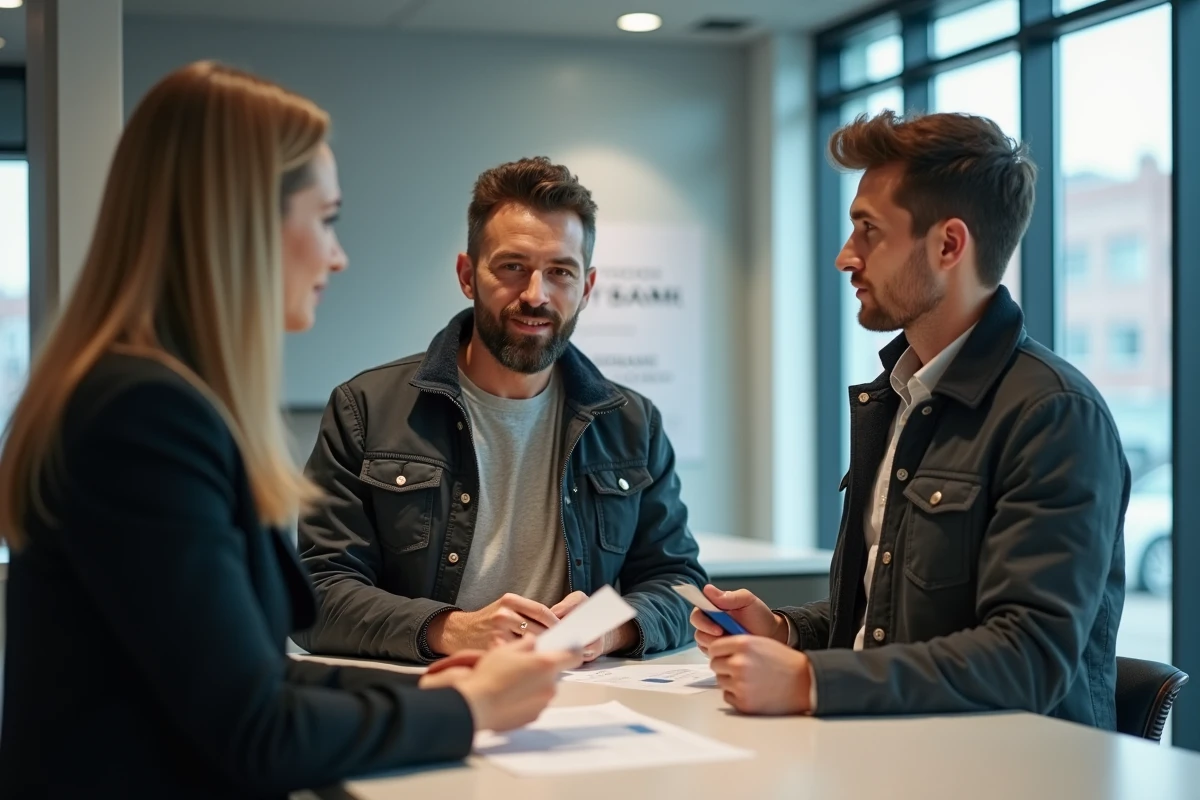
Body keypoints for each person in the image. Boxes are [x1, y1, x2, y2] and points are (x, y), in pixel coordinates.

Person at [0, 62, 579, 799]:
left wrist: (441, 692)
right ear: (239, 220)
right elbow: (257, 731)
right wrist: (469, 708)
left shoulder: (152, 397)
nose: (337, 255)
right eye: (327, 218)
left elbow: (252, 675)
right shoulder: (143, 418)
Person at [692, 110, 1128, 727]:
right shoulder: (897, 394)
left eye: (869, 231)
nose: (847, 256)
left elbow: (1027, 659)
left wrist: (813, 681)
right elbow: (888, 620)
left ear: (948, 244)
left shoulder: (1054, 415)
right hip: (892, 754)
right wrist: (788, 632)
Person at [294, 156, 706, 664]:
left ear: (587, 288)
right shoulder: (365, 410)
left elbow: (677, 582)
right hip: (428, 696)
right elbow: (318, 593)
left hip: (582, 696)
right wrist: (450, 630)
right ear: (468, 275)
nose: (536, 295)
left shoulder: (631, 424)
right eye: (513, 267)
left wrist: (608, 630)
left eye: (560, 272)